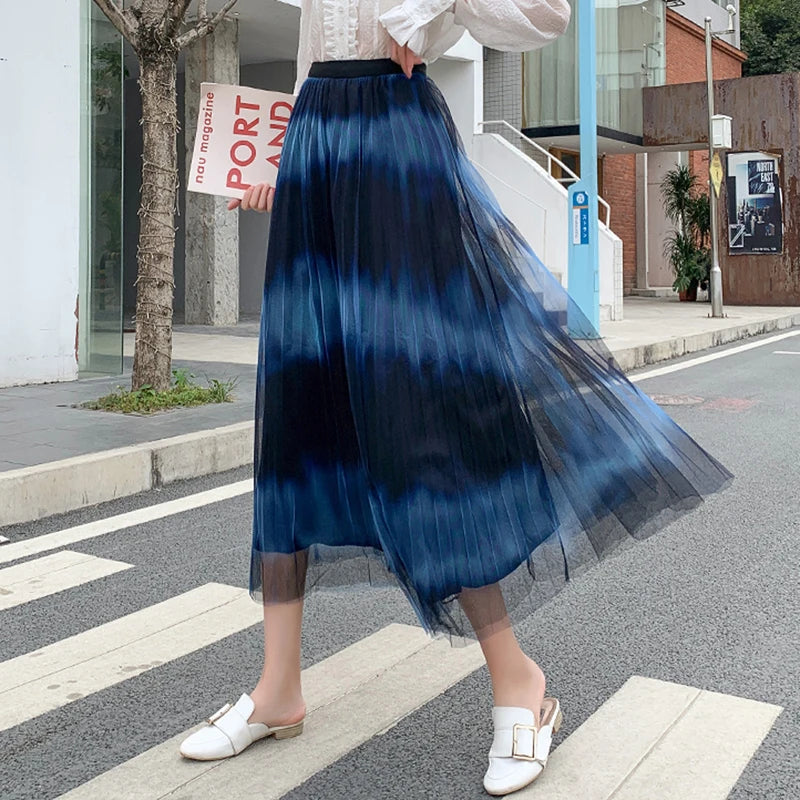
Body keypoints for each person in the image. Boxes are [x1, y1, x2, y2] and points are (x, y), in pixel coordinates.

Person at [178, 1, 732, 795]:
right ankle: (278, 686)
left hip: (397, 144)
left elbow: (544, 14)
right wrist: (275, 155)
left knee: (424, 411)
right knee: (297, 399)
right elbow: (312, 45)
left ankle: (519, 682)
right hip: (315, 135)